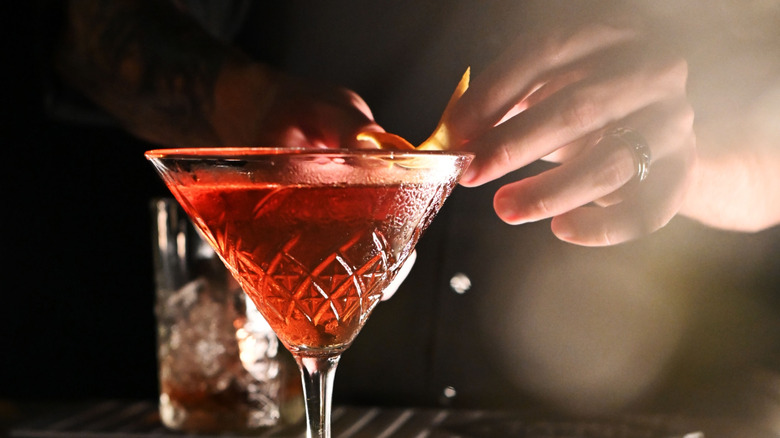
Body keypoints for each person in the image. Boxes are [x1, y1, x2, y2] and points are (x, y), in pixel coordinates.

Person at [48, 0, 780, 417]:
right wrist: (247, 101)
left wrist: (682, 161)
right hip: (252, 403)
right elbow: (93, 27)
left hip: (606, 392)